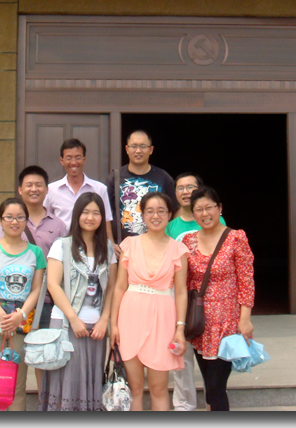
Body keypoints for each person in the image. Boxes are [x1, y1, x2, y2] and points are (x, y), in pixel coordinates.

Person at [39, 192, 118, 411]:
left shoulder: (107, 249)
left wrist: (104, 320)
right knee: (67, 382)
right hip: (66, 324)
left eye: (96, 213)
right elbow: (53, 284)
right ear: (76, 215)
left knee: (90, 382)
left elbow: (111, 287)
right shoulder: (62, 245)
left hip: (96, 329)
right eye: (85, 212)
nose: (90, 217)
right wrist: (73, 319)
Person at [110, 192, 188, 411]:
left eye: (161, 211)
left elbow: (181, 292)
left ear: (170, 214)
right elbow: (119, 287)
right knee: (134, 387)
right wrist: (113, 325)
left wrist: (180, 328)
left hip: (163, 319)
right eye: (150, 211)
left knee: (159, 388)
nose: (155, 216)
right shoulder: (129, 244)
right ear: (142, 215)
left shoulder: (178, 249)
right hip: (130, 316)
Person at [0, 165, 67, 394]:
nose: (34, 189)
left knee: (42, 357)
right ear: (20, 189)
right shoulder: (8, 222)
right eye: (29, 185)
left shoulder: (58, 225)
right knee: (13, 356)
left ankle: (44, 403)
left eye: (38, 185)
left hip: (45, 302)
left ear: (47, 189)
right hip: (13, 303)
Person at [182, 186, 255, 412]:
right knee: (209, 384)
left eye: (209, 208)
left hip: (227, 324)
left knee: (216, 386)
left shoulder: (235, 238)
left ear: (219, 208)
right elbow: (184, 282)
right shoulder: (188, 241)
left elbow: (246, 281)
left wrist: (245, 319)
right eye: (198, 209)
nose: (205, 214)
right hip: (199, 324)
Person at [0, 197, 46, 411]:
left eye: (20, 217)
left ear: (26, 221)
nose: (14, 222)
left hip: (21, 324)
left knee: (17, 385)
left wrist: (20, 315)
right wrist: (1, 315)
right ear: (0, 220)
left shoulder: (36, 253)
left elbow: (36, 289)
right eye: (9, 217)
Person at [164, 172, 224, 412]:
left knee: (213, 355)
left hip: (212, 298)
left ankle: (214, 400)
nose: (185, 192)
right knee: (182, 352)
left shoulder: (214, 219)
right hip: (180, 295)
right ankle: (184, 404)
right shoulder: (171, 226)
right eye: (180, 188)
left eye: (190, 187)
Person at [106, 130, 177, 255]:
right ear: (127, 149)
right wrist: (110, 242)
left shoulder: (164, 178)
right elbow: (106, 213)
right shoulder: (115, 178)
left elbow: (175, 212)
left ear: (151, 150)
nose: (138, 151)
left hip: (157, 249)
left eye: (143, 146)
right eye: (134, 146)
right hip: (123, 251)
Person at [44, 138, 113, 238]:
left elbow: (106, 221)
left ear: (84, 159)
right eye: (69, 158)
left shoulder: (99, 189)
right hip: (61, 243)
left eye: (78, 157)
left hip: (92, 244)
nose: (73, 162)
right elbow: (45, 219)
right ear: (61, 161)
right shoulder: (51, 190)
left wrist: (110, 243)